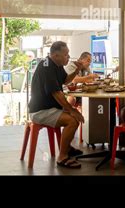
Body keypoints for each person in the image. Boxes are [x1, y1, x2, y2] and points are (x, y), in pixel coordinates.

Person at [28, 41, 85, 169]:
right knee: (73, 120)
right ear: (55, 55)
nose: (68, 57)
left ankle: (66, 147)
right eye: (66, 54)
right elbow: (57, 94)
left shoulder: (57, 65)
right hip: (40, 111)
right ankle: (62, 157)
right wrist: (72, 110)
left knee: (74, 117)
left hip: (49, 109)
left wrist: (77, 70)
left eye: (68, 54)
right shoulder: (47, 66)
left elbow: (65, 81)